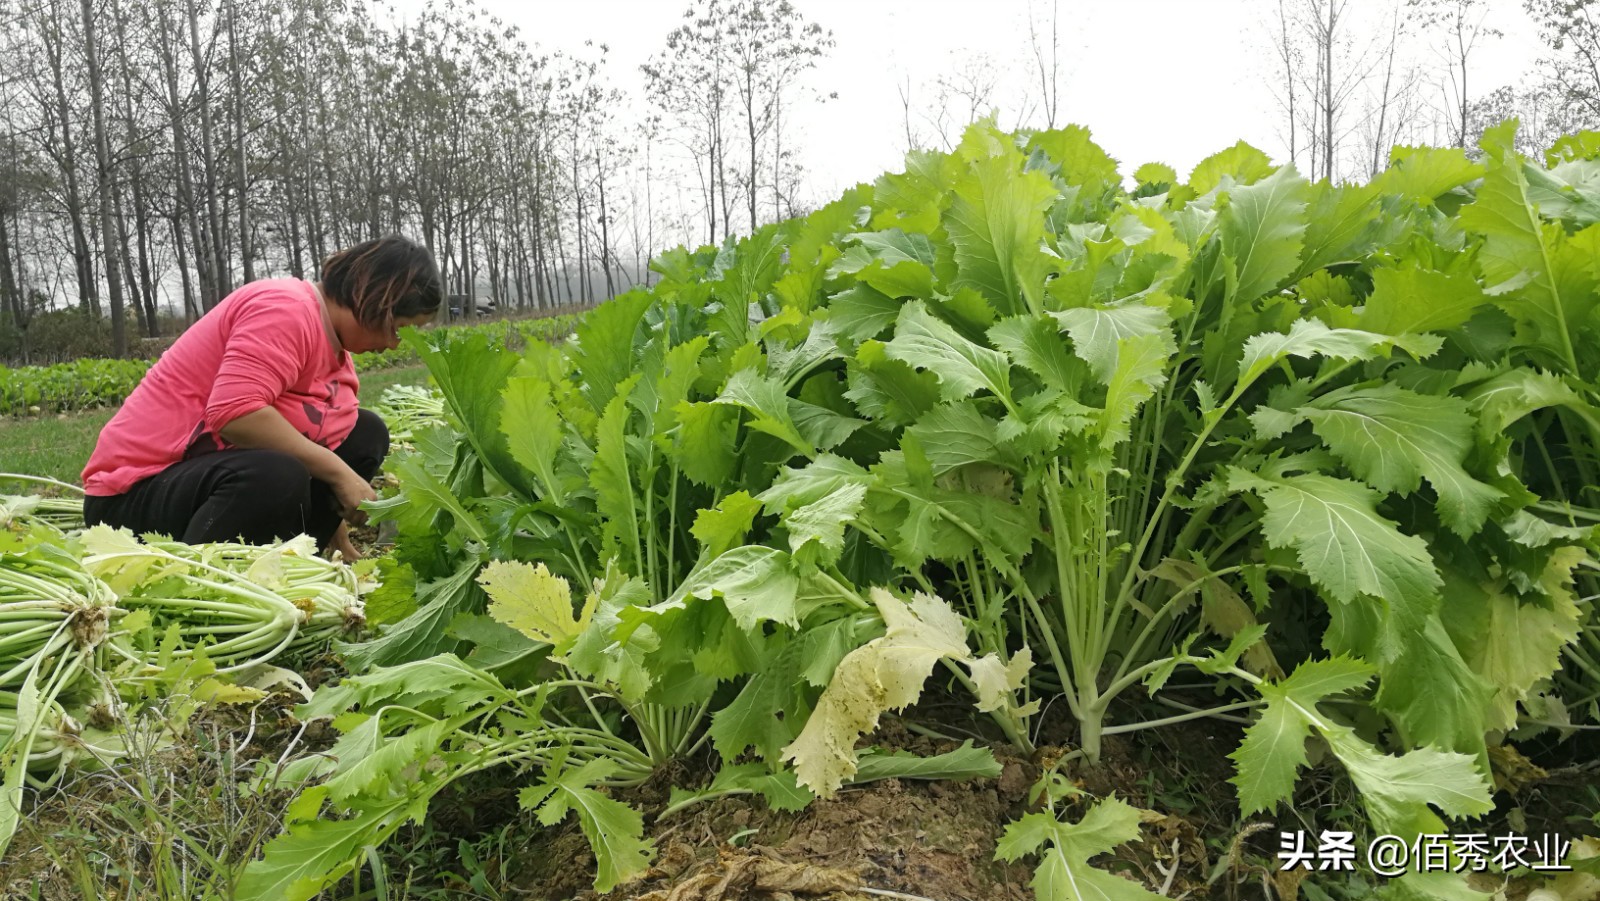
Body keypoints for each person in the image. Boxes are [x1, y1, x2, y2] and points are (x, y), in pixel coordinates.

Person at [81, 234, 442, 561]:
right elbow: (235, 413)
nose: (395, 344)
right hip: (132, 495)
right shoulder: (285, 310)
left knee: (365, 433)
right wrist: (341, 475)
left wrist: (339, 538)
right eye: (398, 329)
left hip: (206, 484)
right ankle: (197, 581)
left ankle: (294, 561)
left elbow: (314, 439)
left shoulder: (336, 351)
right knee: (277, 474)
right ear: (374, 300)